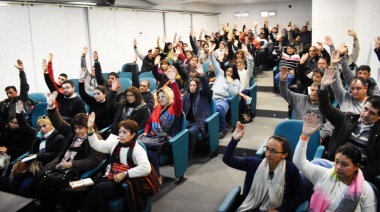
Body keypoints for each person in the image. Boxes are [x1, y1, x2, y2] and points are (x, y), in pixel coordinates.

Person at [35, 91, 104, 212]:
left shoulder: (95, 138)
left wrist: (72, 164)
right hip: (60, 166)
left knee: (65, 193)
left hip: (75, 170)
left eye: (80, 128)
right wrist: (51, 107)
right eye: (75, 128)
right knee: (41, 186)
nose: (77, 131)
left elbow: (93, 161)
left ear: (88, 127)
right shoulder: (72, 133)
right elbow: (59, 123)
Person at [293, 113, 377, 211]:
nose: (338, 167)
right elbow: (299, 163)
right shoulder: (323, 175)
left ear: (356, 166)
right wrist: (304, 136)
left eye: (344, 164)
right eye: (337, 162)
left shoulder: (365, 190)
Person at [316, 67, 380, 186]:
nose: (366, 115)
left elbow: (377, 164)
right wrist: (323, 88)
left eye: (372, 113)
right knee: (313, 166)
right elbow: (326, 108)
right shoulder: (347, 119)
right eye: (365, 109)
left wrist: (356, 174)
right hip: (334, 166)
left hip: (359, 174)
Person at [223, 121, 306, 211]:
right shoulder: (253, 163)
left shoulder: (290, 169)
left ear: (284, 155)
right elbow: (227, 159)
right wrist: (234, 140)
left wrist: (280, 210)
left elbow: (300, 195)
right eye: (267, 149)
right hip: (251, 208)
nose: (268, 154)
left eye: (274, 151)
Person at [83, 113, 151, 212]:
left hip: (125, 183)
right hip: (111, 177)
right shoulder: (115, 142)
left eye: (124, 132)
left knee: (99, 189)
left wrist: (125, 174)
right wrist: (90, 129)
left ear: (133, 135)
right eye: (120, 132)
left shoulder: (137, 149)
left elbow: (146, 168)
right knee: (98, 197)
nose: (121, 135)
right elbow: (97, 145)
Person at [9, 101, 65, 198]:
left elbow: (58, 155)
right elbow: (25, 126)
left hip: (44, 167)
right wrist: (19, 113)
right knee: (13, 182)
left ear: (52, 125)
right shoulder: (37, 134)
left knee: (25, 186)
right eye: (40, 127)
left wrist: (39, 156)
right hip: (32, 164)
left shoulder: (59, 137)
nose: (42, 129)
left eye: (44, 126)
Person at [143, 67, 182, 184]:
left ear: (169, 96)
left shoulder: (174, 108)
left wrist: (173, 82)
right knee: (141, 150)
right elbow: (149, 122)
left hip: (167, 141)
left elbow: (179, 98)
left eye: (163, 96)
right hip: (154, 138)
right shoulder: (157, 108)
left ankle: (158, 177)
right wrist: (145, 131)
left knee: (149, 153)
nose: (161, 99)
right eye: (159, 97)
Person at [279, 66, 332, 143]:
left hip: (314, 136)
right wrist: (283, 80)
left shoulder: (325, 105)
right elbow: (285, 92)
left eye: (317, 91)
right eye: (312, 90)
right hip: (297, 132)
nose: (314, 92)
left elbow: (331, 122)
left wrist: (321, 135)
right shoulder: (299, 98)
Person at [210, 44, 240, 139]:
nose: (228, 73)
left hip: (223, 100)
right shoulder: (220, 74)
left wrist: (230, 83)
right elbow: (215, 64)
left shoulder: (235, 81)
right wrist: (211, 54)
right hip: (211, 98)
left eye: (231, 72)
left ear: (234, 73)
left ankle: (222, 129)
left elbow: (234, 94)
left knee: (219, 109)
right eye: (227, 71)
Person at [182, 65, 211, 160]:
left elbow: (206, 87)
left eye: (194, 85)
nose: (192, 87)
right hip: (188, 120)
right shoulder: (186, 95)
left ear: (198, 86)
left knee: (190, 132)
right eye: (190, 85)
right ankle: (179, 152)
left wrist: (202, 75)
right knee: (181, 129)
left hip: (198, 121)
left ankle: (188, 155)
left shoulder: (202, 94)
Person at [0, 59, 31, 128]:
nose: (8, 95)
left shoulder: (21, 99)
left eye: (10, 93)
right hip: (6, 128)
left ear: (16, 92)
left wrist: (21, 72)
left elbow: (24, 86)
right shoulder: (3, 103)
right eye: (7, 93)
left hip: (19, 126)